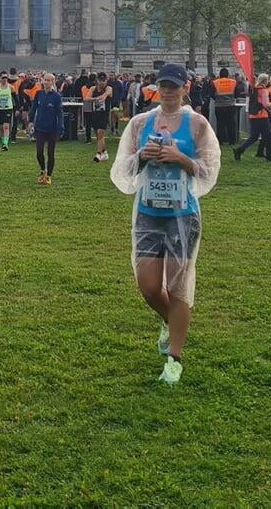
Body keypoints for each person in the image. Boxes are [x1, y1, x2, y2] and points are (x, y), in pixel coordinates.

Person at [109, 62, 220, 385]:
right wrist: (143, 156)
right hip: (147, 213)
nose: (168, 91)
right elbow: (121, 168)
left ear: (186, 87)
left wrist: (180, 159)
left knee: (178, 285)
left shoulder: (197, 124)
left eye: (174, 86)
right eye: (164, 85)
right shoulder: (140, 123)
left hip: (182, 216)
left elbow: (209, 169)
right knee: (147, 286)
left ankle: (175, 357)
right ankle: (168, 321)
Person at [30, 72, 65, 185]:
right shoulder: (39, 94)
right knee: (39, 152)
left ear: (53, 82)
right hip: (40, 128)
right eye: (45, 80)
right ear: (42, 81)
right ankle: (42, 170)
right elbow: (34, 108)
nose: (47, 82)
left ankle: (49, 175)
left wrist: (60, 127)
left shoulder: (56, 96)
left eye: (49, 80)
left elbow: (60, 113)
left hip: (52, 129)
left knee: (50, 153)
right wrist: (30, 121)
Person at [232, 73, 271, 161]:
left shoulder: (253, 89)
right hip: (262, 115)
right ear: (266, 81)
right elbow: (265, 104)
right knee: (268, 136)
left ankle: (239, 150)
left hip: (253, 115)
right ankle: (270, 156)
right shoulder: (263, 90)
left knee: (254, 137)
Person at [84, 73, 112, 161]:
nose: (102, 83)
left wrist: (103, 96)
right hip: (95, 113)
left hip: (104, 114)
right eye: (100, 80)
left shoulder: (108, 88)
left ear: (106, 80)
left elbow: (106, 94)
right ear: (97, 80)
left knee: (100, 133)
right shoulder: (93, 88)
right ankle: (104, 152)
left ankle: (98, 154)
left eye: (104, 81)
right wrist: (96, 99)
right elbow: (87, 98)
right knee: (98, 135)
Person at [0, 74, 15, 150]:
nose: (5, 79)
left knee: (6, 127)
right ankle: (3, 142)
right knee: (1, 127)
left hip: (8, 109)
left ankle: (5, 144)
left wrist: (18, 108)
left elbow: (15, 98)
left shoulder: (11, 87)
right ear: (0, 78)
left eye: (6, 78)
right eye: (3, 78)